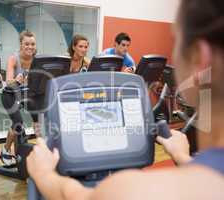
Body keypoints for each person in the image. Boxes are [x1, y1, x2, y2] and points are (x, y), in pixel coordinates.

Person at [26, 0, 224, 199]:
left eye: (176, 39)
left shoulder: (130, 190)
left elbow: (78, 195)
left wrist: (42, 173)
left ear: (199, 58)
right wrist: (182, 156)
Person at [0, 30, 37, 166]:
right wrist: (16, 80)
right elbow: (8, 81)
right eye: (26, 44)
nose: (30, 47)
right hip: (10, 93)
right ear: (21, 45)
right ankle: (5, 149)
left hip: (26, 93)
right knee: (18, 124)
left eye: (32, 44)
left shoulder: (36, 60)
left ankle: (43, 151)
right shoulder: (13, 58)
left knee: (39, 119)